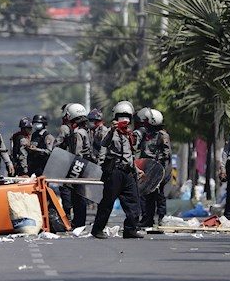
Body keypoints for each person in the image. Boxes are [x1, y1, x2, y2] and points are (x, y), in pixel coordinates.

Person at [91, 100, 144, 239]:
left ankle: (130, 229)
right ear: (116, 117)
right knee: (107, 203)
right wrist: (113, 130)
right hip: (114, 172)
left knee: (133, 202)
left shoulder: (130, 135)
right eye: (121, 116)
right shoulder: (110, 132)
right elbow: (104, 143)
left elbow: (130, 155)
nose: (124, 120)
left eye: (127, 117)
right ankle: (97, 229)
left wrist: (136, 169)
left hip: (128, 172)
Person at [60, 103, 92, 228]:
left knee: (77, 195)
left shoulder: (78, 133)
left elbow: (77, 153)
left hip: (78, 165)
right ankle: (80, 221)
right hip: (85, 164)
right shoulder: (86, 130)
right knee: (81, 194)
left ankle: (78, 222)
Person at [138, 108, 171, 227]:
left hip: (159, 168)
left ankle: (161, 218)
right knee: (147, 195)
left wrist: (160, 169)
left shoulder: (162, 135)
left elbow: (166, 154)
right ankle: (148, 218)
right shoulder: (145, 134)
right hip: (147, 168)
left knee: (160, 195)